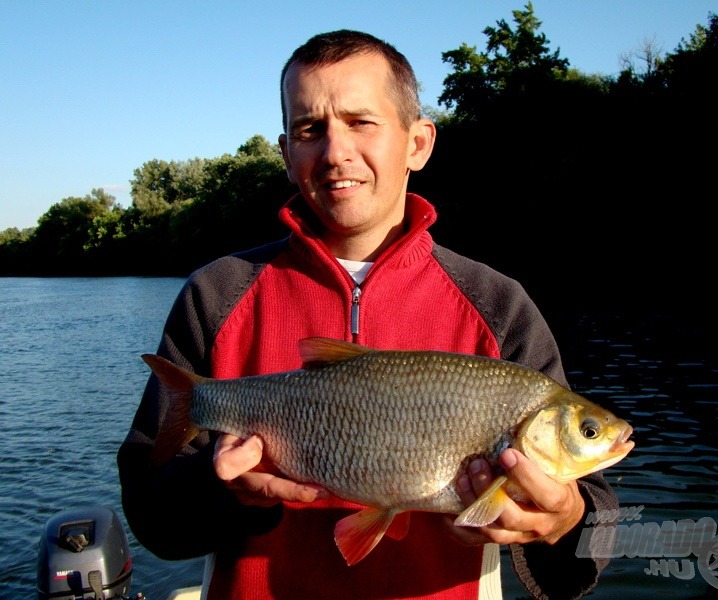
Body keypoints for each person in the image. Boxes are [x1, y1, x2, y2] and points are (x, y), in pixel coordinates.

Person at [118, 29, 619, 600]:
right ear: (286, 154)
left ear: (418, 143)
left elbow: (586, 537)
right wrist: (222, 490)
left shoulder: (498, 305)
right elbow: (151, 513)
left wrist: (559, 523)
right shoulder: (217, 293)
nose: (335, 152)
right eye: (310, 129)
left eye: (361, 122)